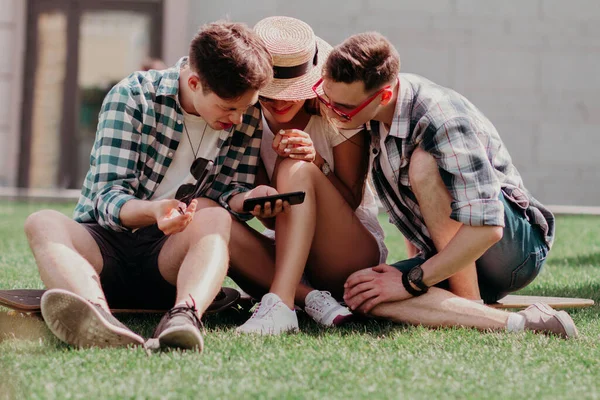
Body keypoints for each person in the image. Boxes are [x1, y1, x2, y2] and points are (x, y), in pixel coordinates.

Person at [23, 21, 274, 350]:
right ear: (195, 82)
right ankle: (97, 318)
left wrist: (247, 199)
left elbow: (226, 198)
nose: (238, 119)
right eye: (229, 108)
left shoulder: (246, 115)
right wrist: (155, 211)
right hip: (104, 249)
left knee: (217, 218)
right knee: (42, 221)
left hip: (168, 261)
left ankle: (185, 317)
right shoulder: (133, 95)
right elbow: (105, 199)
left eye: (245, 108)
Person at [314, 32, 577, 338]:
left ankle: (468, 301)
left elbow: (487, 227)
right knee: (361, 291)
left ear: (383, 96)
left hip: (511, 251)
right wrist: (406, 275)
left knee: (424, 164)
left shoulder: (440, 117)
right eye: (326, 98)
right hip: (448, 250)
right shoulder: (365, 113)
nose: (332, 112)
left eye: (343, 108)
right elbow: (416, 209)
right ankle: (526, 324)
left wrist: (411, 281)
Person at [224, 16, 387, 335]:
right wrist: (262, 201)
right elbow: (273, 221)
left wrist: (316, 163)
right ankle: (307, 298)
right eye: (269, 92)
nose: (278, 101)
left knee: (293, 165)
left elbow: (351, 200)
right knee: (210, 218)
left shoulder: (339, 113)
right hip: (287, 251)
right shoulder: (246, 118)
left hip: (348, 253)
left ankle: (282, 303)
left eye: (289, 91)